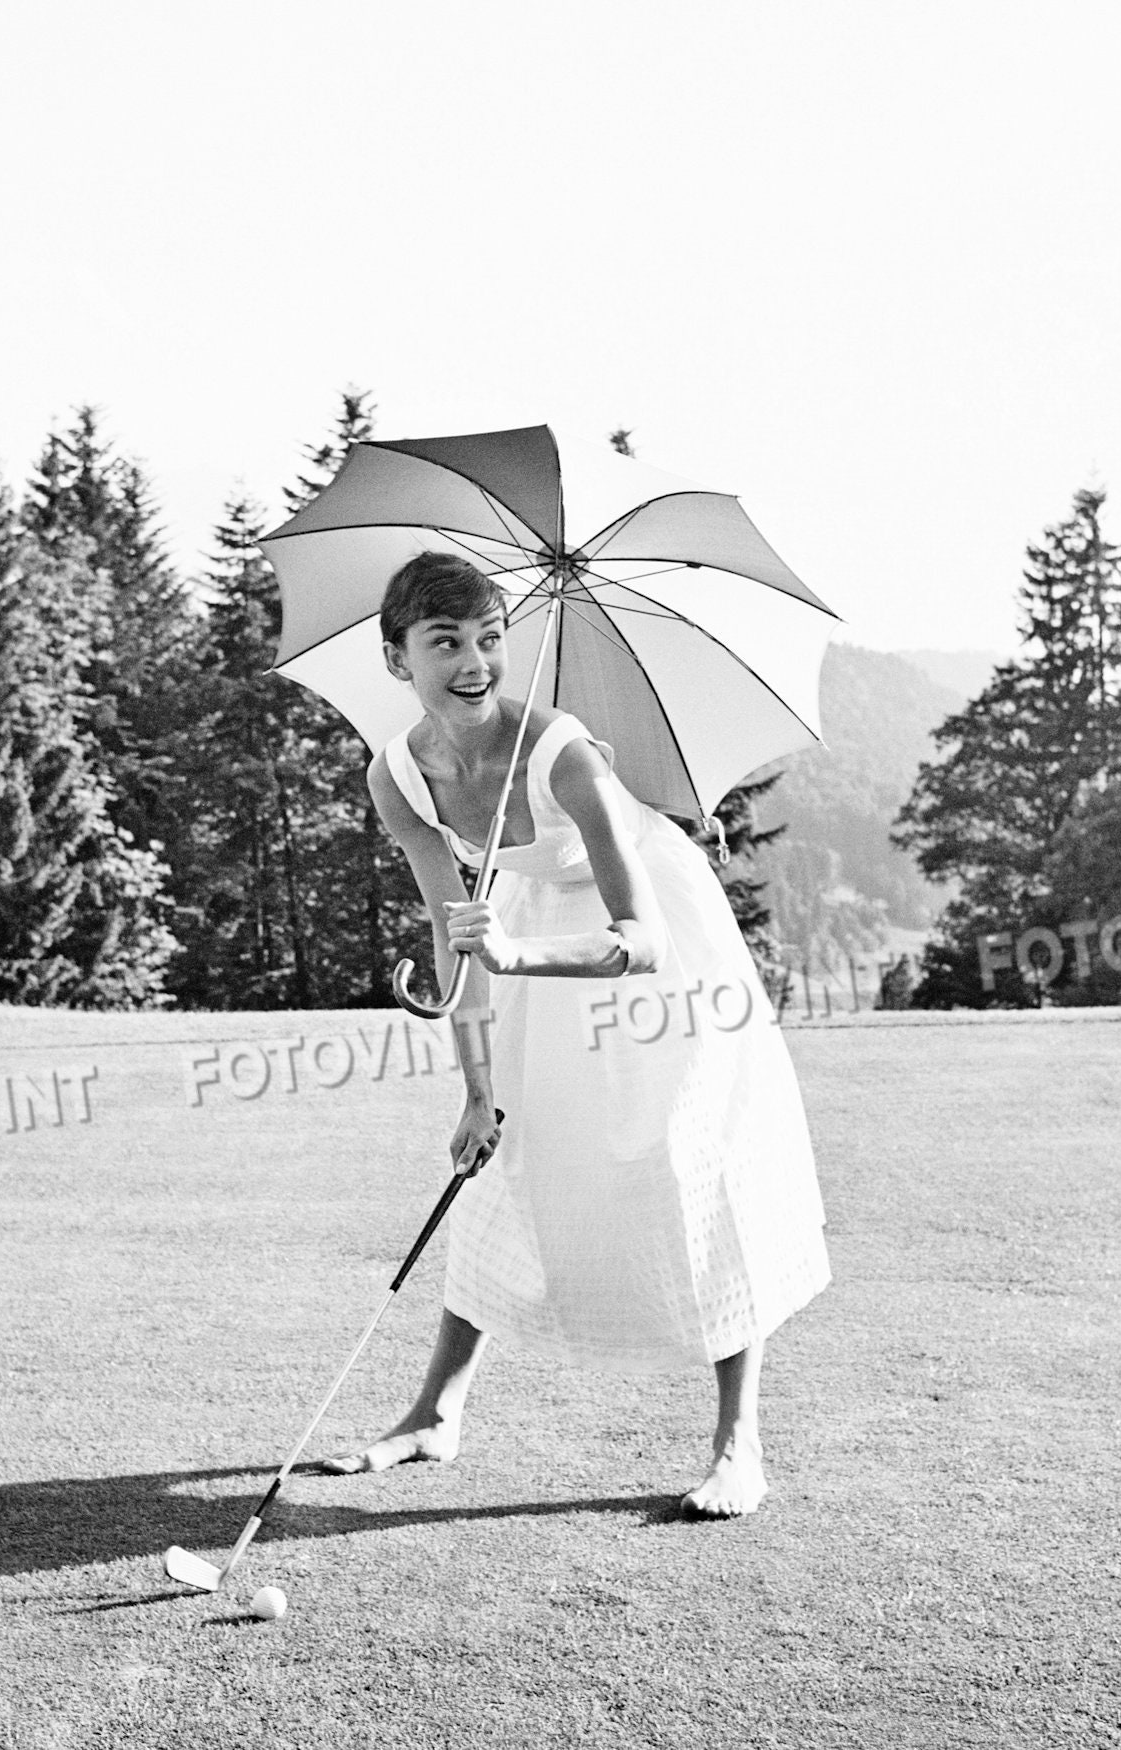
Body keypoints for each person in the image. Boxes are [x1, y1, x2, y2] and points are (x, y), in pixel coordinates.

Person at [321, 551, 830, 1517]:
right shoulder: (398, 779)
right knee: (503, 1159)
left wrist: (516, 956)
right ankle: (435, 1412)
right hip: (526, 930)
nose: (474, 663)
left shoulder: (564, 755)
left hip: (656, 943)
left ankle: (739, 1443)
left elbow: (642, 940)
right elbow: (453, 936)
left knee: (688, 1159)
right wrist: (476, 1090)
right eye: (445, 643)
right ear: (397, 660)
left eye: (489, 639)